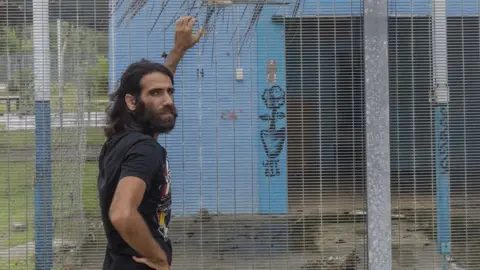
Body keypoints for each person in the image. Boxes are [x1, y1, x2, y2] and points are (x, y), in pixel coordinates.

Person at [97, 16, 202, 270]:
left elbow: (153, 87)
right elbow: (122, 213)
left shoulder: (120, 138)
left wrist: (178, 51)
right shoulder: (146, 150)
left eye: (170, 92)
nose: (167, 100)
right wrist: (158, 258)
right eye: (156, 94)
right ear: (132, 103)